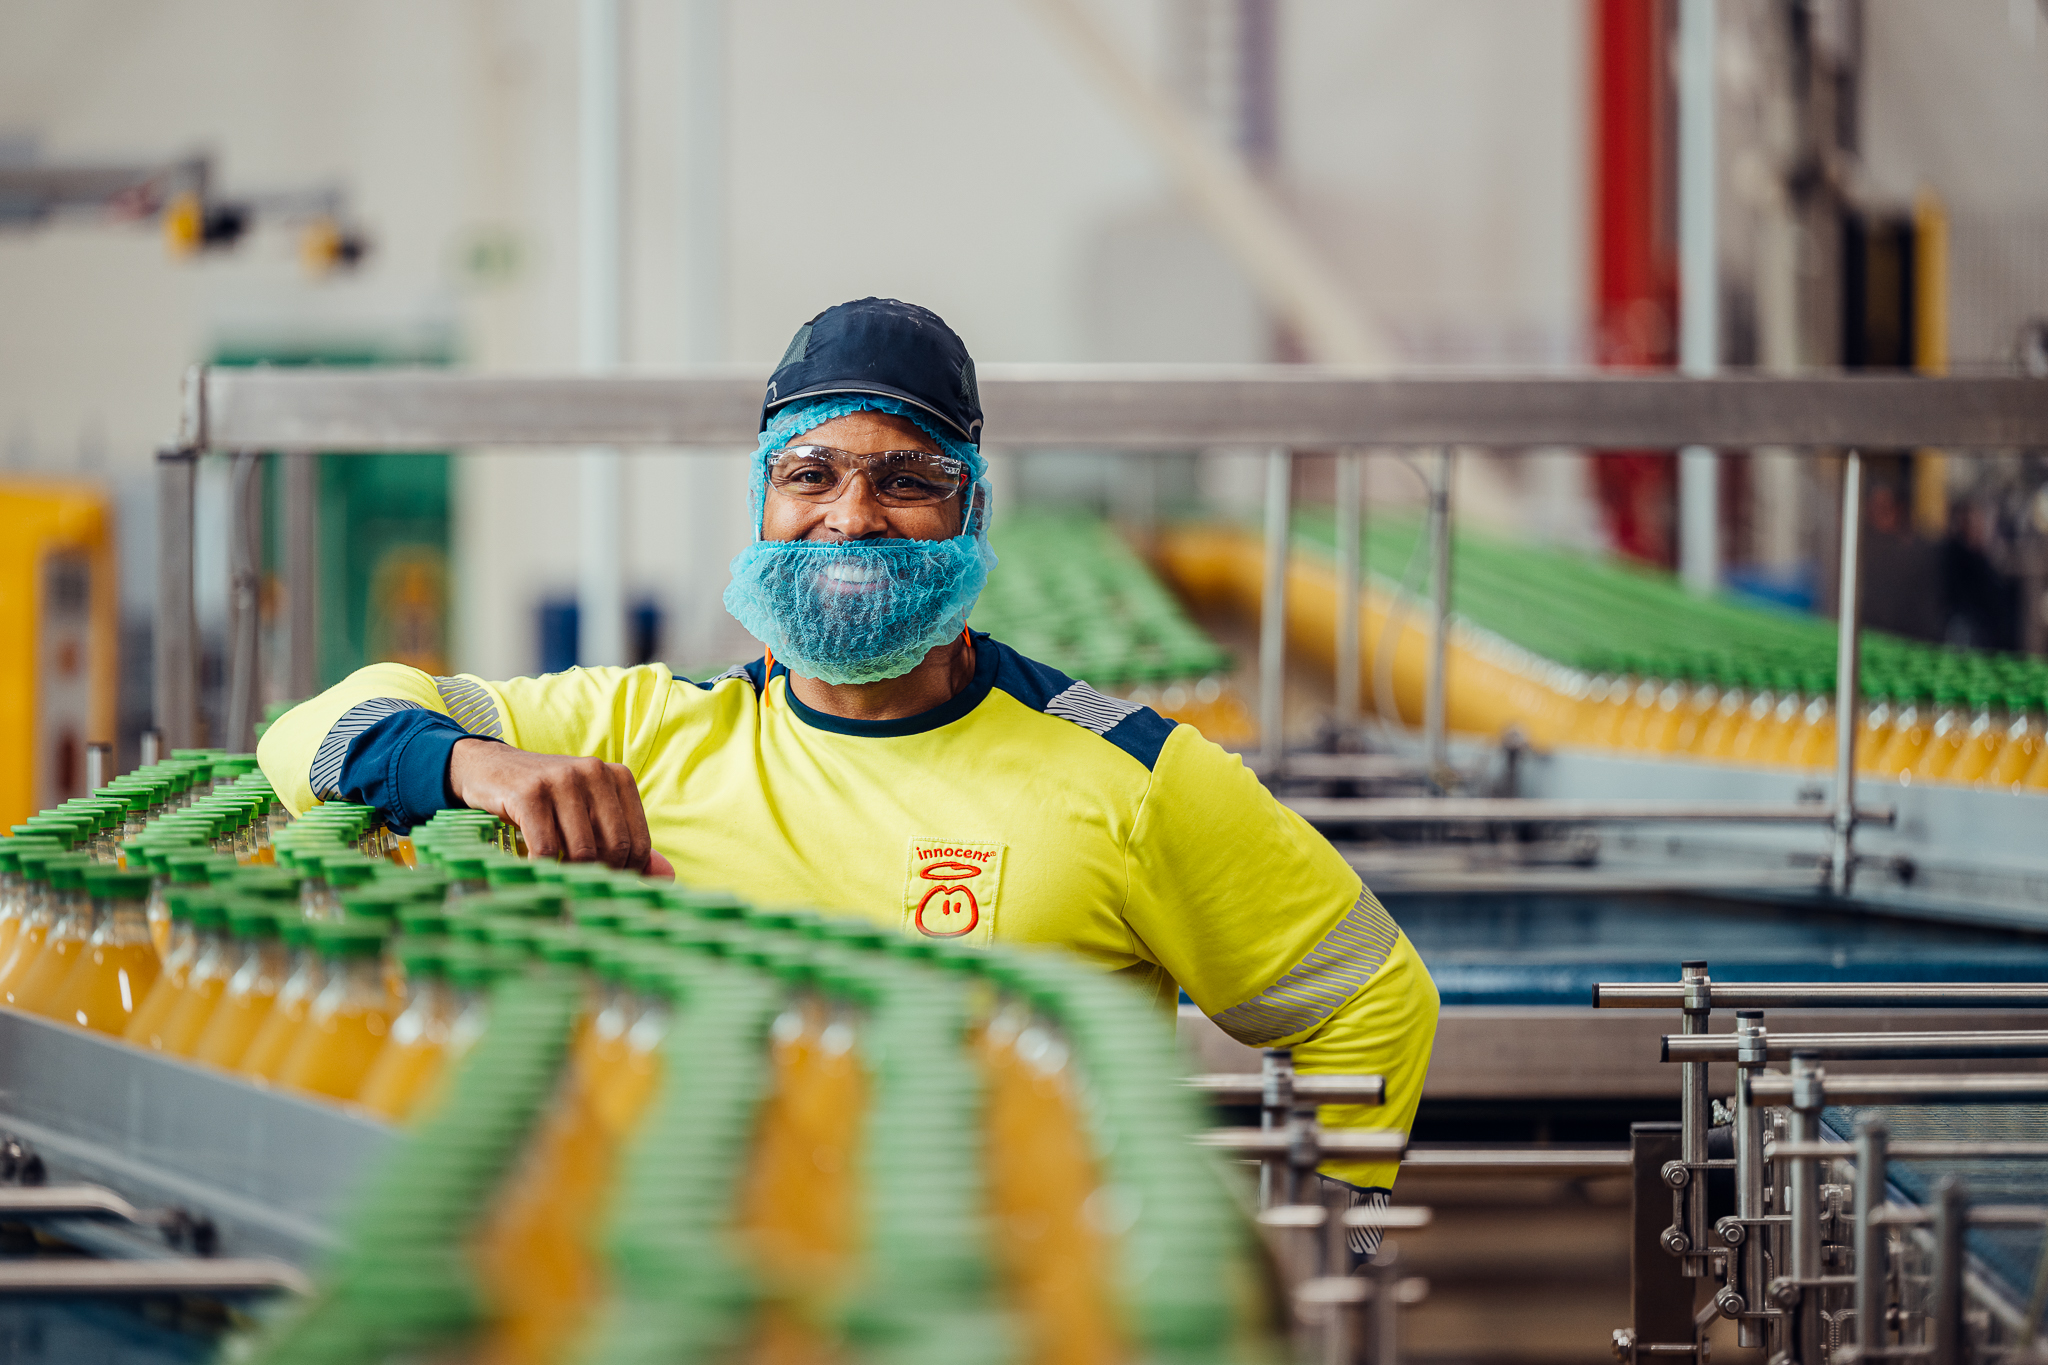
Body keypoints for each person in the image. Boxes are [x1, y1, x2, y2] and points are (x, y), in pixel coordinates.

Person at [259, 297, 1438, 1243]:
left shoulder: (1126, 775)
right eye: (810, 474)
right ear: (763, 506)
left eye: (906, 479)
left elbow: (1366, 1001)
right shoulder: (635, 727)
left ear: (972, 509)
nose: (851, 516)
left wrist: (1335, 1253)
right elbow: (303, 738)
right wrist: (470, 764)